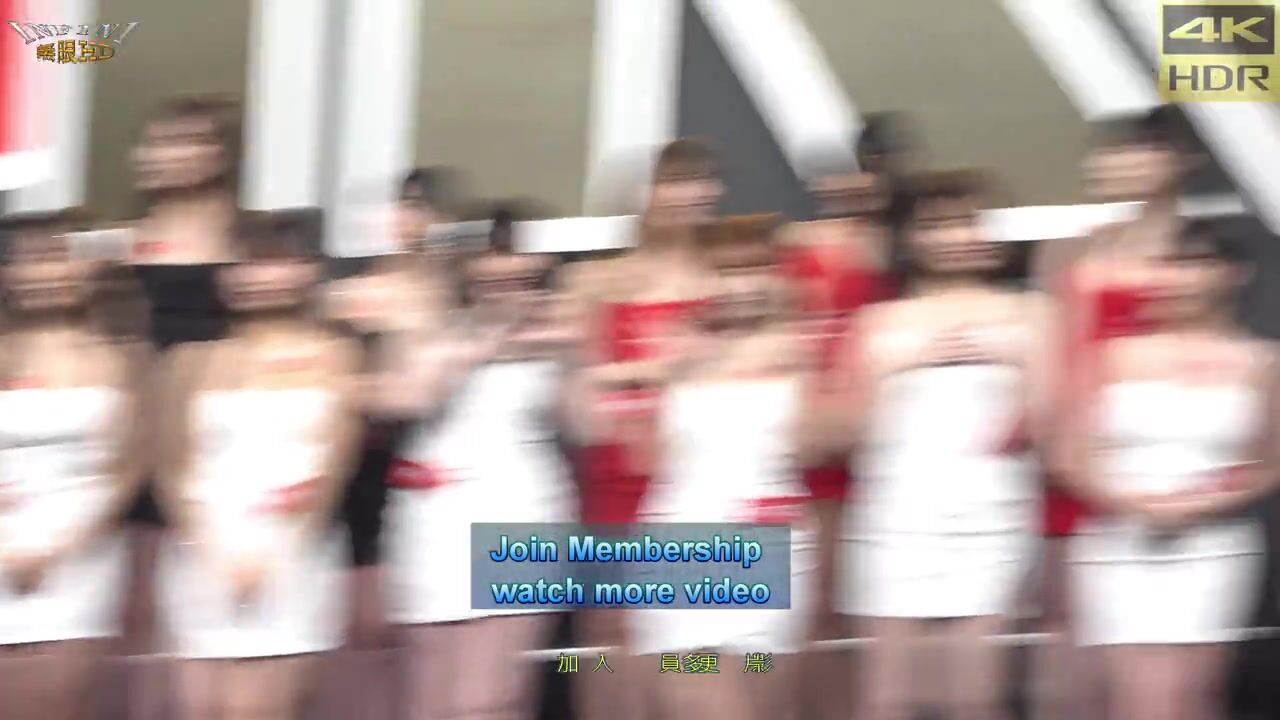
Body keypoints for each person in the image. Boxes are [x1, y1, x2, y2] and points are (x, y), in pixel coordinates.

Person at [827, 171, 1055, 720]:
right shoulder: (876, 322)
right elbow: (842, 428)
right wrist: (907, 363)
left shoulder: (1032, 312)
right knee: (887, 698)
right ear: (912, 237)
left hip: (991, 511)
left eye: (967, 223)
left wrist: (1006, 369)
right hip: (895, 513)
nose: (955, 237)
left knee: (975, 695)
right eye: (938, 225)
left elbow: (1050, 417)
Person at [597, 214, 814, 720]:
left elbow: (821, 443)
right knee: (694, 691)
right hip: (682, 539)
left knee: (764, 699)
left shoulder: (797, 348)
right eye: (724, 271)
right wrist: (649, 379)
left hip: (770, 541)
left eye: (753, 269)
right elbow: (642, 455)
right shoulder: (670, 349)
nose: (740, 285)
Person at [154, 209, 363, 720]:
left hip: (291, 557)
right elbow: (170, 464)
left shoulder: (337, 355)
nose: (260, 277)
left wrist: (275, 555)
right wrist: (208, 549)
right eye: (246, 263)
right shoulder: (190, 361)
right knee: (197, 706)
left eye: (277, 262)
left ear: (308, 270)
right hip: (202, 555)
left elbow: (336, 465)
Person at [1068, 222, 1275, 720]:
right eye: (1168, 265)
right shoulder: (1112, 355)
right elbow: (1071, 454)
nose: (1178, 278)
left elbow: (1270, 462)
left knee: (1199, 693)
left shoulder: (1263, 361)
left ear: (1233, 274)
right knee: (1133, 696)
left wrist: (1204, 503)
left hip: (1215, 539)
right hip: (1120, 536)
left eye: (1195, 264)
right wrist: (1134, 503)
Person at [1034, 105, 1201, 720]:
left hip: (1164, 457)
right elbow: (1050, 350)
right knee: (1069, 620)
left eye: (1141, 150)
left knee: (1165, 633)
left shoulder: (1200, 258)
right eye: (1115, 151)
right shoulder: (1071, 251)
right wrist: (1057, 435)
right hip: (1077, 455)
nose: (1123, 163)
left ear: (1181, 160)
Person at [383, 212, 576, 720]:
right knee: (429, 701)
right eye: (493, 276)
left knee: (487, 700)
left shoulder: (555, 337)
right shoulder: (431, 328)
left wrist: (568, 346)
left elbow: (589, 423)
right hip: (434, 521)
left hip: (520, 513)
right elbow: (407, 397)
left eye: (522, 278)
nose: (507, 289)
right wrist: (483, 338)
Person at [559, 138, 723, 720]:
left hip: (705, 479)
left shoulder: (728, 283)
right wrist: (650, 375)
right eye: (672, 182)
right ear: (645, 195)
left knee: (700, 648)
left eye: (697, 182)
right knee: (608, 645)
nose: (685, 196)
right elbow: (577, 394)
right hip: (615, 479)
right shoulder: (596, 283)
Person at [118, 95, 242, 718]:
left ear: (218, 153)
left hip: (218, 442)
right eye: (158, 142)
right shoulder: (130, 244)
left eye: (184, 141)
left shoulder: (241, 239)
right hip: (144, 437)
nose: (164, 156)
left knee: (214, 607)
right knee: (141, 611)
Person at [782, 114, 910, 720]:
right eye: (857, 172)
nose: (863, 185)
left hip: (891, 446)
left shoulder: (903, 255)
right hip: (817, 443)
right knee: (814, 606)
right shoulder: (798, 250)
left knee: (870, 606)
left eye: (877, 173)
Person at [0, 213, 148, 720]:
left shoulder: (119, 359)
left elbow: (127, 465)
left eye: (57, 258)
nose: (44, 274)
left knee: (63, 700)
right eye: (31, 261)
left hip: (80, 558)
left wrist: (62, 545)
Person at [326, 168, 457, 653]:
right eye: (403, 208)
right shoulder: (351, 293)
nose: (409, 220)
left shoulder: (455, 295)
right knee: (358, 627)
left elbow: (418, 393)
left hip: (432, 467)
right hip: (359, 470)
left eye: (420, 209)